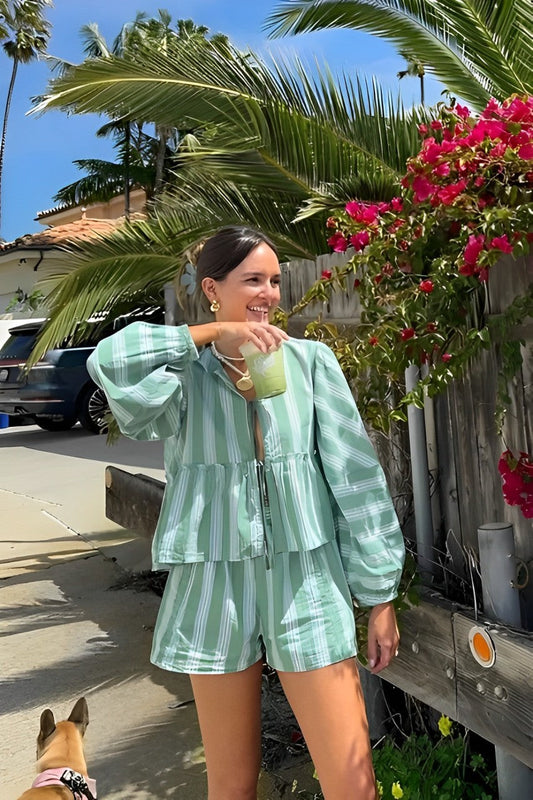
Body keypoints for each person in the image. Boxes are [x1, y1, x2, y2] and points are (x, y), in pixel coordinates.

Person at [87, 225, 405, 800]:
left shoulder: (311, 363)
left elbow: (357, 479)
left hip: (306, 577)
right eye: (252, 279)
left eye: (275, 281)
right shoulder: (183, 377)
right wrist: (210, 335)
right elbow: (112, 361)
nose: (268, 293)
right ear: (213, 288)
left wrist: (379, 596)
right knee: (230, 786)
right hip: (214, 583)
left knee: (354, 784)